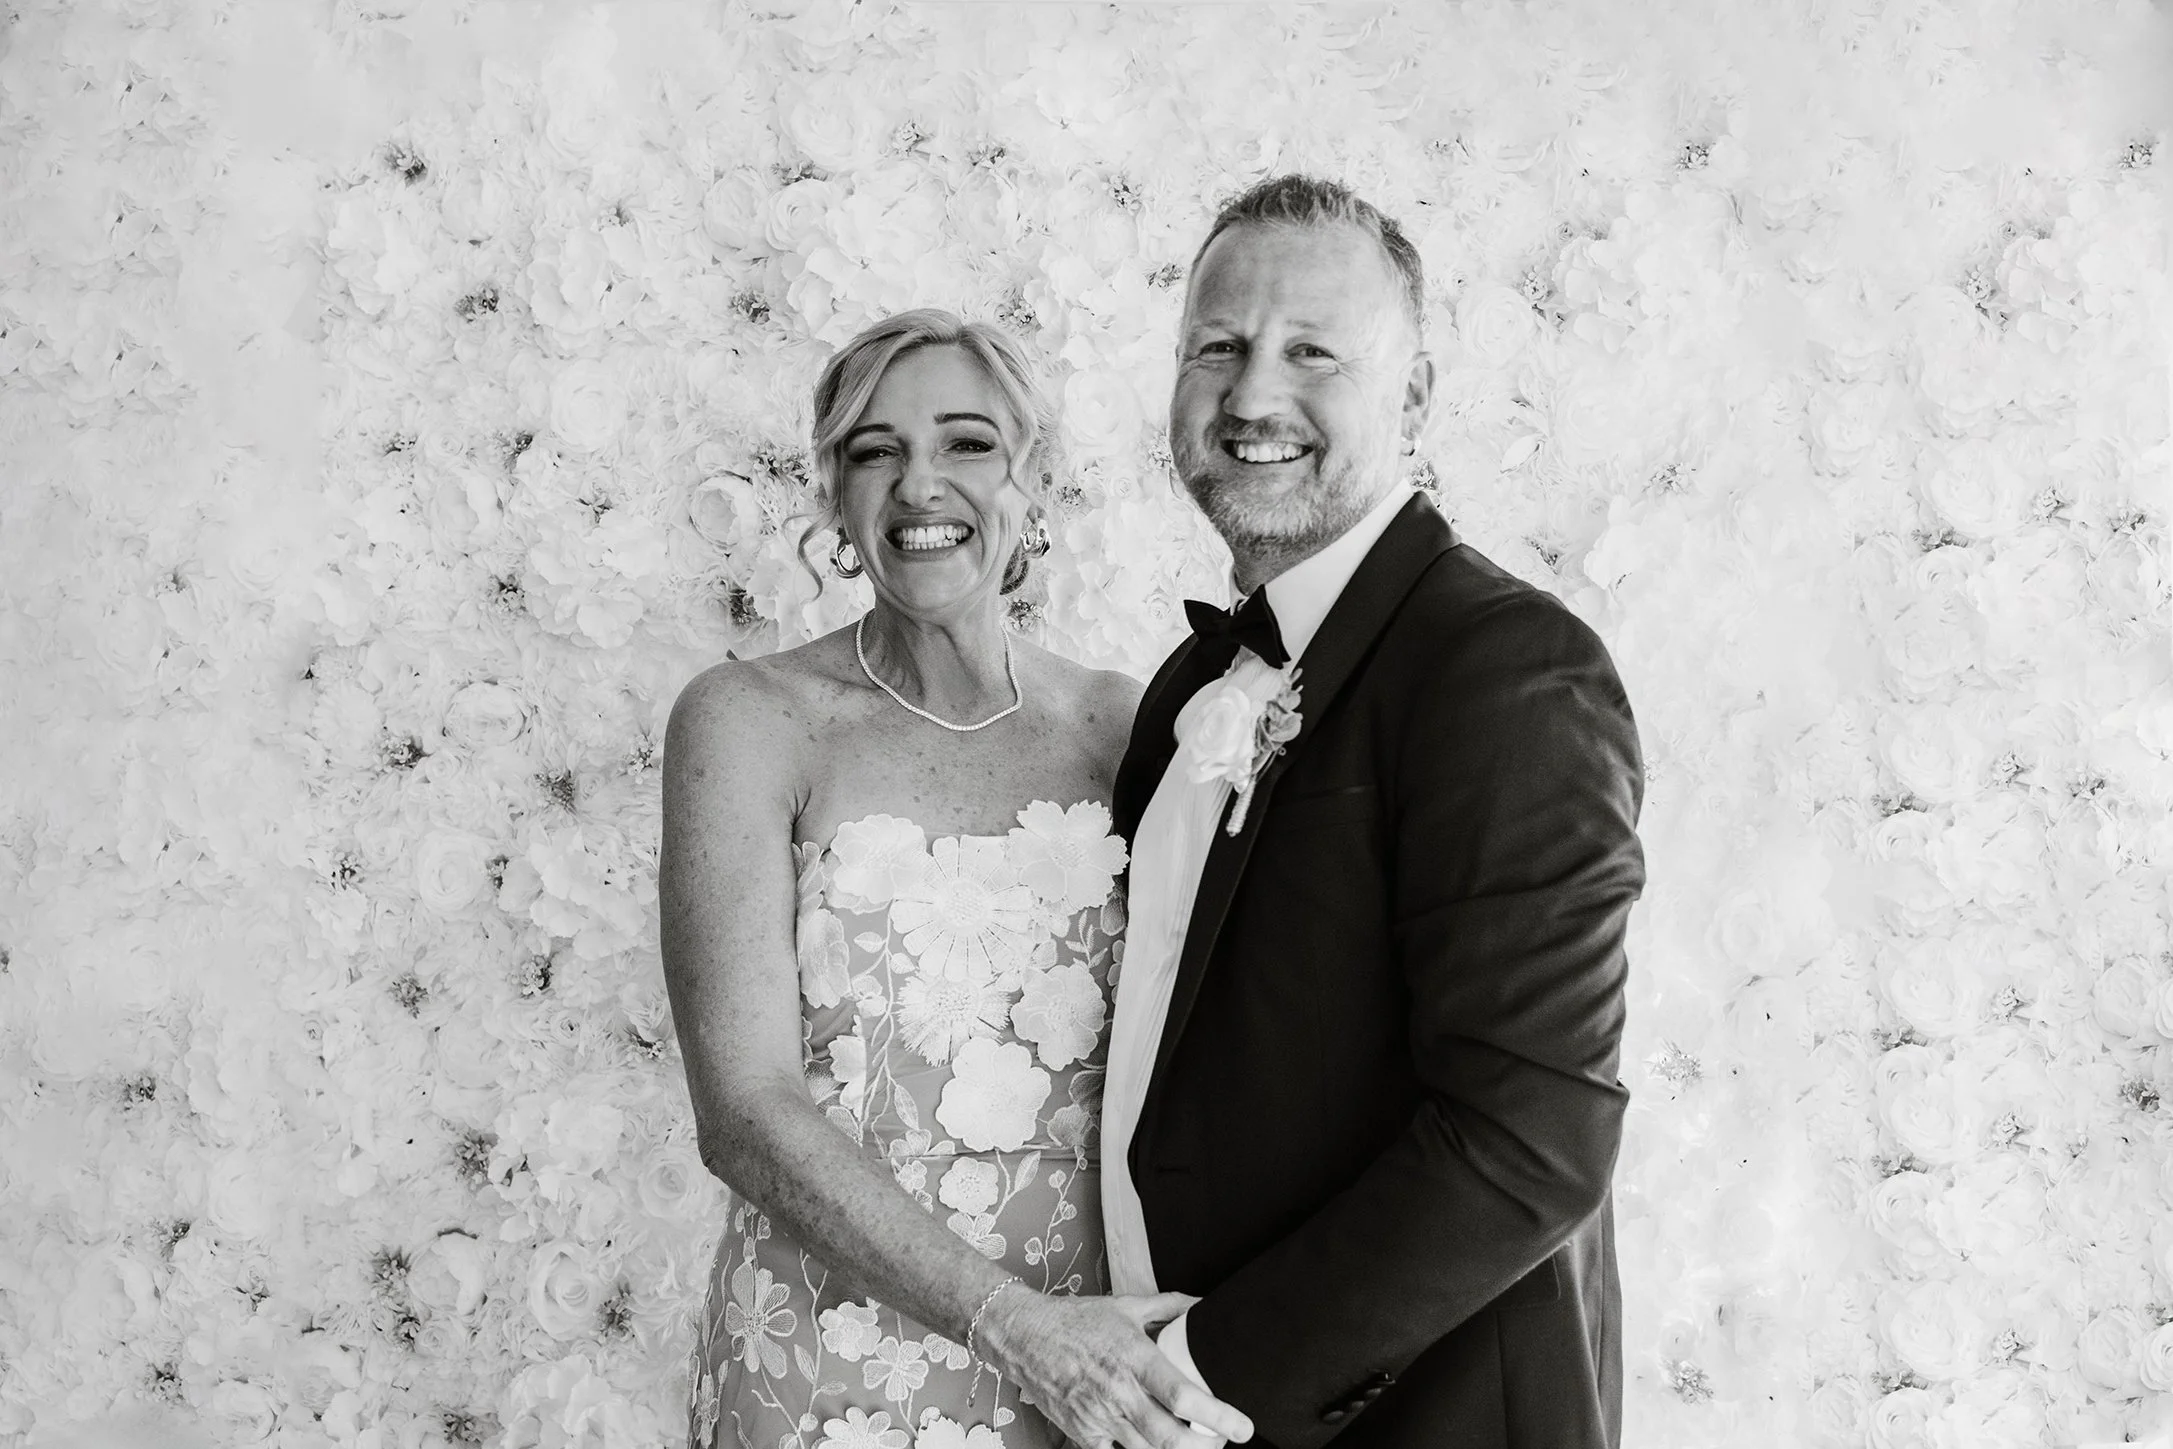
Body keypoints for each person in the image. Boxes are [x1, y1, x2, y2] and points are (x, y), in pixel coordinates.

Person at [1103, 176, 1646, 1448]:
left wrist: (1190, 1374)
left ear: (1413, 396)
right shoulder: (1190, 685)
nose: (1249, 397)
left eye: (1311, 353)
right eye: (1217, 348)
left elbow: (1532, 1141)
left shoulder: (1503, 666)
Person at [660, 310, 1255, 1449]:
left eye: (967, 444)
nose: (918, 483)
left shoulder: (1128, 724)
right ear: (835, 497)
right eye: (875, 450)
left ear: (1033, 483)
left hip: (1093, 1367)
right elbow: (742, 1111)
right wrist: (1009, 1324)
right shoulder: (749, 723)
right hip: (824, 1360)